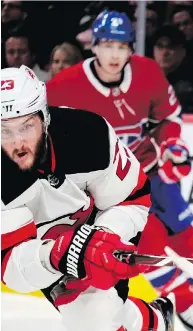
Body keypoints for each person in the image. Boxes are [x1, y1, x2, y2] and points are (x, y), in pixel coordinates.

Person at [46, 10, 193, 331]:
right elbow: (39, 129)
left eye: (121, 46)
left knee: (187, 236)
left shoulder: (147, 72)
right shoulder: (66, 86)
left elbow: (168, 117)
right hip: (112, 192)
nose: (114, 54)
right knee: (151, 248)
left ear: (131, 48)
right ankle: (182, 302)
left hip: (152, 174)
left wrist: (170, 147)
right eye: (107, 45)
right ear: (94, 47)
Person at [1, 65, 175, 331]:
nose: (18, 143)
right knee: (94, 317)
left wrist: (105, 236)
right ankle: (157, 321)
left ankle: (154, 322)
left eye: (26, 126)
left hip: (97, 222)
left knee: (91, 318)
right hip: (42, 248)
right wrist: (53, 255)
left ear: (44, 116)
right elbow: (11, 267)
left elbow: (133, 197)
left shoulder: (87, 133)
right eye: (5, 131)